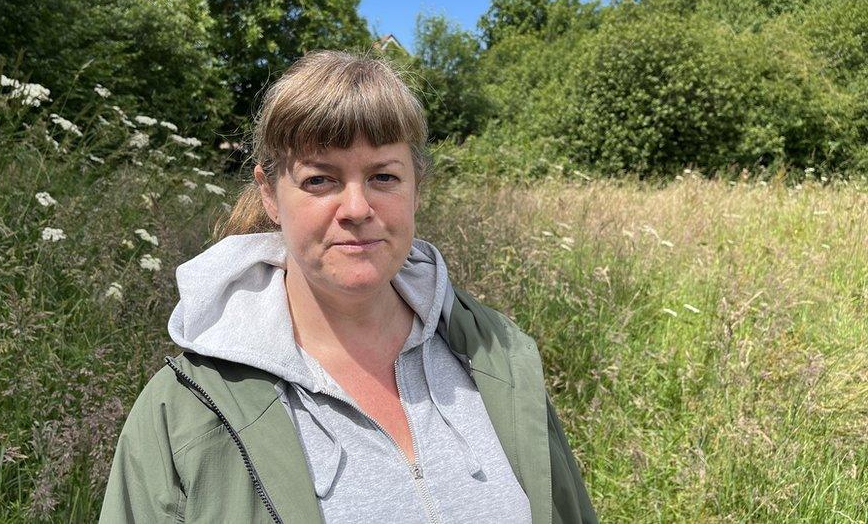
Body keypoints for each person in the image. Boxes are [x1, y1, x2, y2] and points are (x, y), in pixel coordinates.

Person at [99, 50, 597, 523]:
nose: (357, 208)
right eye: (320, 180)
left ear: (416, 188)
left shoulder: (498, 360)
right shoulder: (182, 415)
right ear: (270, 194)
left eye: (383, 176)